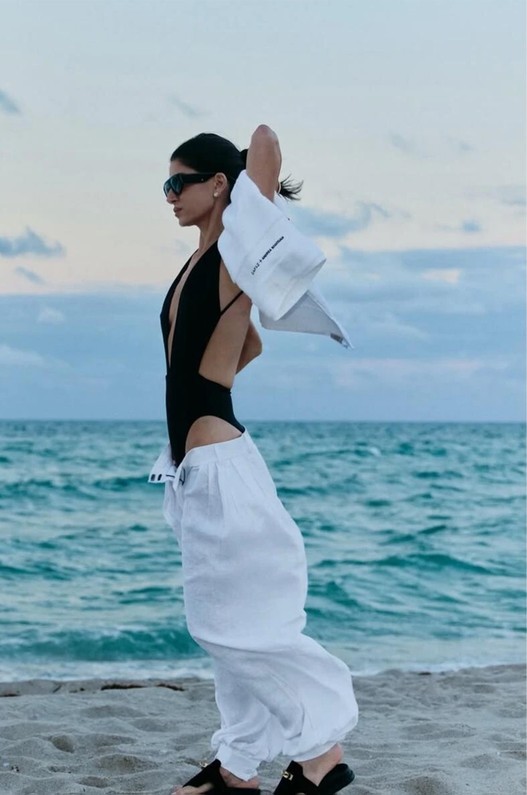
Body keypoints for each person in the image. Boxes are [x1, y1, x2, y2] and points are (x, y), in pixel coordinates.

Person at [153, 125, 358, 795]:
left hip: (220, 469)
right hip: (200, 468)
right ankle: (237, 767)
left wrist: (250, 189)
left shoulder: (237, 250)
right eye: (164, 185)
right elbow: (247, 348)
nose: (169, 195)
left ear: (218, 185)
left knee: (225, 624)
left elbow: (264, 140)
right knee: (232, 622)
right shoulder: (199, 263)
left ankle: (321, 752)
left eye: (178, 182)